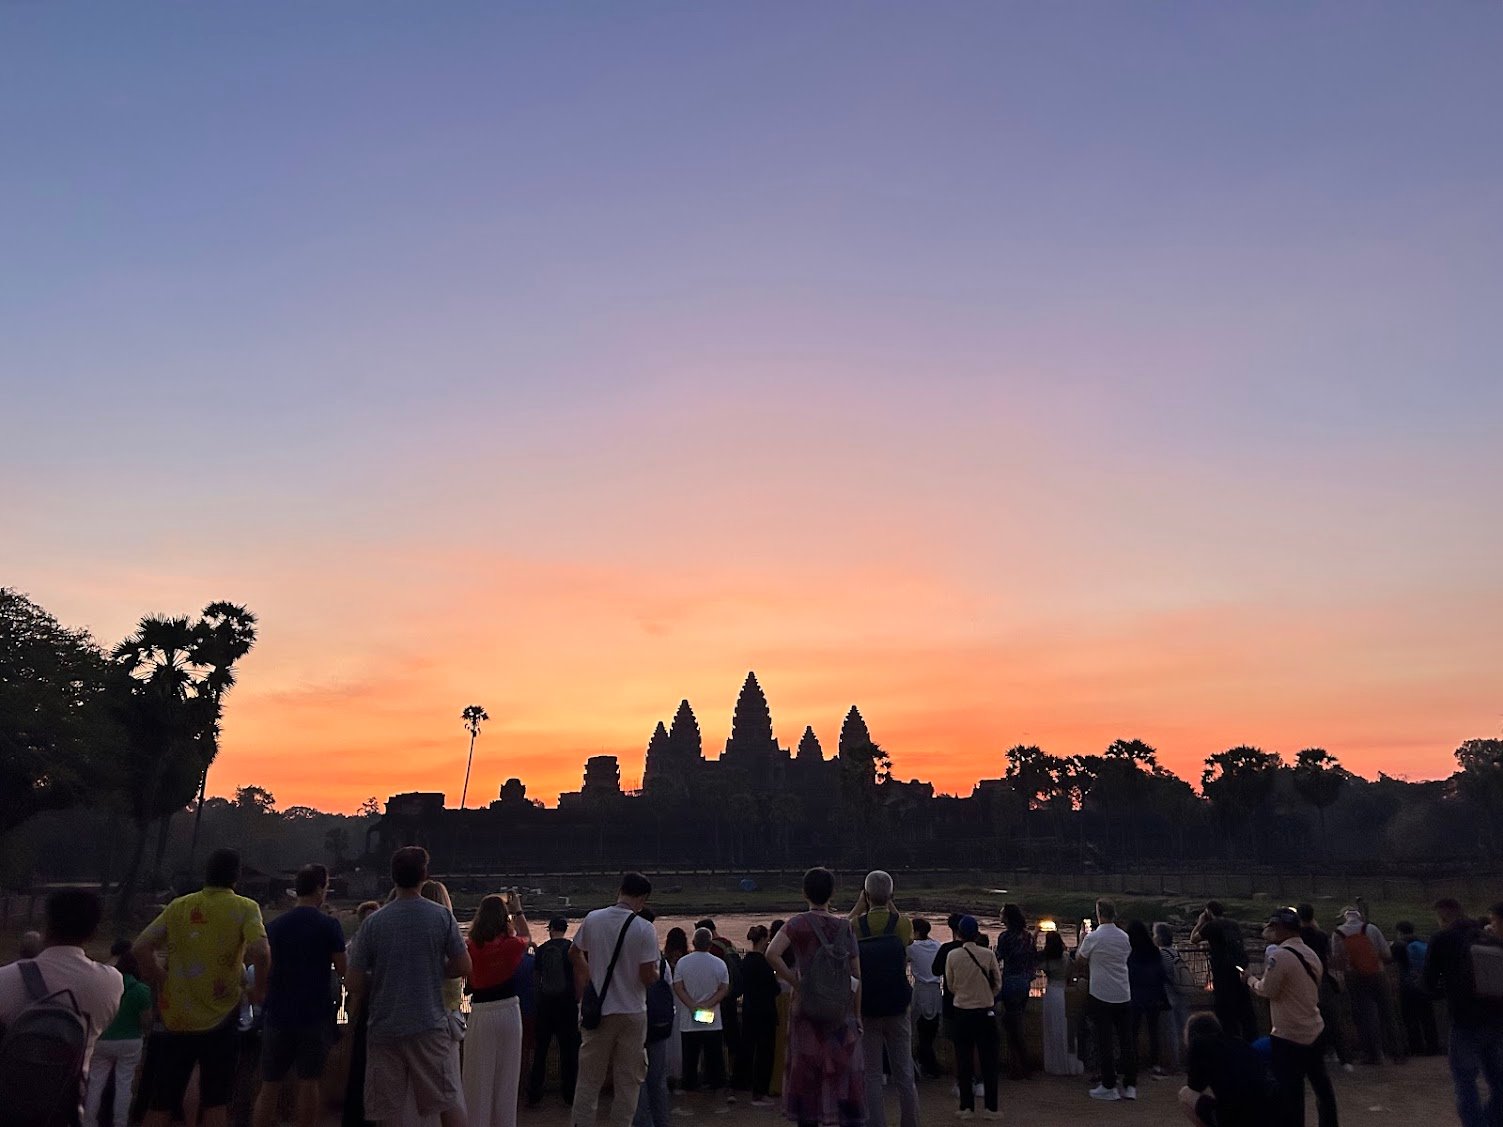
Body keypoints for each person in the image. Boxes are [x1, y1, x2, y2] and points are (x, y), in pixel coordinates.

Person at [134, 848, 269, 1127]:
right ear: (237, 876)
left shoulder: (180, 906)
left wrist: (161, 978)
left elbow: (141, 947)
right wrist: (259, 990)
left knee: (162, 1099)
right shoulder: (244, 907)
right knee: (216, 1101)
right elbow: (262, 952)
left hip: (177, 1018)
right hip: (222, 1016)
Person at [346, 845, 472, 1127]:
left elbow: (353, 981)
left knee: (387, 1112)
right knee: (447, 1102)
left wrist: (383, 976)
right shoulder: (441, 916)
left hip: (384, 1027)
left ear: (393, 877)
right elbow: (464, 967)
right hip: (429, 1023)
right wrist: (434, 970)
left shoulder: (373, 923)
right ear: (424, 875)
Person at [0, 889, 123, 1122]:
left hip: (9, 1108)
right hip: (64, 1111)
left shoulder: (4, 979)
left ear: (46, 926)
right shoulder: (112, 983)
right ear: (93, 931)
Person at [766, 866, 865, 1127]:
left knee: (806, 1075)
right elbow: (856, 976)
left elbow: (771, 953)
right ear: (832, 893)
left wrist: (796, 983)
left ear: (804, 893)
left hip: (806, 1012)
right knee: (841, 1075)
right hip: (840, 1013)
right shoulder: (845, 928)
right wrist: (857, 1014)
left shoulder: (797, 924)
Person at [252, 864, 347, 1127]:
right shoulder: (329, 925)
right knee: (309, 1082)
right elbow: (344, 971)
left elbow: (263, 963)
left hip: (278, 1012)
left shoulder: (275, 926)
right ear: (319, 889)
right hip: (314, 1014)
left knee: (269, 1085)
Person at [570, 872, 661, 1127]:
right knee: (628, 1084)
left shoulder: (593, 919)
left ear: (620, 890)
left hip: (599, 1011)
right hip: (632, 1012)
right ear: (642, 899)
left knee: (588, 1081)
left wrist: (590, 976)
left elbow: (574, 952)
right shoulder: (644, 928)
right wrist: (656, 973)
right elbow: (646, 975)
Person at [1247, 908, 1337, 1127]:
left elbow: (1268, 990)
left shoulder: (1279, 956)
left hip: (1288, 1035)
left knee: (1291, 1092)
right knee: (1321, 1086)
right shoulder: (1310, 955)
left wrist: (1250, 980)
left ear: (1280, 928)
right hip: (1314, 1027)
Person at [1425, 898, 1503, 1127]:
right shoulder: (1489, 938)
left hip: (1465, 1021)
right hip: (1496, 1018)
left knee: (1465, 1081)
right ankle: (1493, 1120)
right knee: (1498, 1080)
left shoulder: (1442, 938)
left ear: (1442, 916)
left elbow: (1428, 984)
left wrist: (1446, 990)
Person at [850, 870, 918, 1127]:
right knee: (904, 1074)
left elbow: (840, 934)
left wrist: (859, 906)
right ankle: (910, 1122)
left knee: (872, 1076)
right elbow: (903, 928)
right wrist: (887, 900)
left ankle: (875, 1123)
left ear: (866, 895)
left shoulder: (857, 926)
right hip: (898, 1006)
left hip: (868, 1006)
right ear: (891, 894)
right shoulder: (902, 923)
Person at [464, 891, 533, 1127]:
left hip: (482, 1011)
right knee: (507, 1079)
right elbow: (527, 935)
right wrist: (518, 910)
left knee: (478, 1079)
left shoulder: (471, 947)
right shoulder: (512, 945)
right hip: (509, 1010)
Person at [84, 939, 153, 1127]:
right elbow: (146, 1020)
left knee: (95, 1084)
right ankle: (120, 1122)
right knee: (124, 1084)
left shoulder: (105, 984)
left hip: (102, 1038)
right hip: (130, 1041)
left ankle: (88, 1121)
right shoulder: (141, 990)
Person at [1076, 898, 1136, 1102]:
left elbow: (1080, 960)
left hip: (1101, 994)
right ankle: (1130, 1085)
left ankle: (1109, 1085)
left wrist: (1082, 939)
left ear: (1099, 913)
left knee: (1105, 1041)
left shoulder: (1094, 937)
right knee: (1126, 1040)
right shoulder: (1124, 937)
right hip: (1123, 993)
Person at [940, 915, 999, 1120]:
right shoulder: (988, 955)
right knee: (989, 1061)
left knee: (963, 1060)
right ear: (976, 933)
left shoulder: (953, 956)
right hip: (984, 1011)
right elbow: (997, 982)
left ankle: (967, 1107)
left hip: (962, 1011)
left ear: (960, 934)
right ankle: (991, 1108)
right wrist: (987, 995)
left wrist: (963, 994)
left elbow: (950, 985)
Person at [1177, 1012, 1272, 1127]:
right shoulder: (1239, 1042)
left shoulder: (1199, 1045)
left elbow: (1195, 1086)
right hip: (1267, 1112)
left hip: (1235, 1116)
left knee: (1185, 1094)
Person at [673, 927, 733, 1106]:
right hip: (712, 1019)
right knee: (715, 1060)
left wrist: (692, 1005)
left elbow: (678, 986)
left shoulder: (683, 963)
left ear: (693, 943)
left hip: (688, 1020)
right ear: (709, 944)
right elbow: (724, 988)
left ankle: (689, 1101)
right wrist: (709, 1003)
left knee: (690, 1062)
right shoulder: (719, 963)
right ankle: (718, 1101)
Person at [1332, 905, 1394, 1065]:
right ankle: (1396, 1051)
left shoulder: (1338, 933)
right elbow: (1387, 953)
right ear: (1360, 916)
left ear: (1344, 917)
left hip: (1354, 976)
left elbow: (1337, 960)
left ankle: (1371, 1053)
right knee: (1387, 1010)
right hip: (1377, 973)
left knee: (1363, 1015)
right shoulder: (1371, 928)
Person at [529, 915, 580, 1107]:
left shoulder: (541, 950)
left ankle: (534, 1093)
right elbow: (577, 975)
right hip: (567, 1005)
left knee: (540, 1051)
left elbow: (535, 979)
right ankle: (569, 1094)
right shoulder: (571, 949)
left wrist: (538, 1000)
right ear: (565, 929)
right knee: (568, 1052)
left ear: (550, 929)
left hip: (545, 1006)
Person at [1190, 902, 1257, 1042]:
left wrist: (1200, 922)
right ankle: (1250, 1043)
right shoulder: (1233, 924)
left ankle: (1230, 1043)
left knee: (1226, 1015)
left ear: (1208, 912)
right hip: (1239, 971)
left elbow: (1193, 939)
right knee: (1245, 1013)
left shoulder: (1211, 926)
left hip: (1222, 973)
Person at [1296, 903, 1351, 1072]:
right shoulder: (1320, 935)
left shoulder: (1297, 937)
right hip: (1323, 980)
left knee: (1306, 1020)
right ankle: (1343, 1058)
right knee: (1331, 1019)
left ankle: (1313, 1056)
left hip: (1304, 983)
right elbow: (1328, 956)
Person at [695, 918, 744, 1089]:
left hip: (713, 1001)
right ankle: (734, 1074)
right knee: (732, 1038)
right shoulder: (727, 944)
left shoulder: (713, 949)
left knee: (710, 1037)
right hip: (729, 999)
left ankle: (713, 1077)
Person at [995, 903, 1036, 1080]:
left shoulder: (1005, 937)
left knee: (1011, 1026)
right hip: (1025, 982)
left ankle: (1020, 1067)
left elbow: (998, 957)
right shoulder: (1027, 937)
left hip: (1010, 982)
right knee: (1016, 1022)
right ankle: (1020, 1065)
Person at [741, 925, 781, 1106]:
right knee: (765, 1053)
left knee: (748, 1050)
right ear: (764, 939)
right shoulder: (764, 964)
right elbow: (775, 989)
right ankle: (760, 1092)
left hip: (749, 1010)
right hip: (765, 1012)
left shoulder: (746, 961)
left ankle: (743, 1085)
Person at [1127, 919, 1170, 1078]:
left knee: (1133, 1031)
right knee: (1154, 1031)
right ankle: (1155, 1064)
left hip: (1135, 995)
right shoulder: (1153, 951)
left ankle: (1133, 1062)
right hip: (1153, 995)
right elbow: (1161, 973)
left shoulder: (1129, 951)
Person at [1392, 921, 1439, 1056]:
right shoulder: (1424, 943)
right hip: (1425, 984)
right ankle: (1433, 1046)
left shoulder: (1400, 944)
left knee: (1410, 1019)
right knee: (1427, 1018)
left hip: (1408, 986)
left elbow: (1392, 959)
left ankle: (1416, 1048)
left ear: (1399, 932)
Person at [1038, 929, 1082, 1076]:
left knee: (1053, 1028)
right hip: (1063, 991)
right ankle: (1069, 1062)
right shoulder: (1066, 957)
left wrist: (1035, 934)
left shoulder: (1047, 961)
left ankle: (1055, 1063)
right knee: (1067, 1029)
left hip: (1052, 992)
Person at [907, 918, 943, 1080]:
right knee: (931, 1030)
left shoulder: (912, 948)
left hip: (921, 990)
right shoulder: (938, 946)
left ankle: (929, 1065)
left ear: (916, 932)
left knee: (919, 1029)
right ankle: (928, 1064)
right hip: (936, 990)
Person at [1154, 922, 1192, 1073]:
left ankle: (1174, 1064)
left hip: (1169, 995)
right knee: (1184, 1029)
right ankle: (1189, 1061)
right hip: (1181, 994)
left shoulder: (1160, 954)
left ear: (1159, 937)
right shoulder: (1175, 952)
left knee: (1171, 1032)